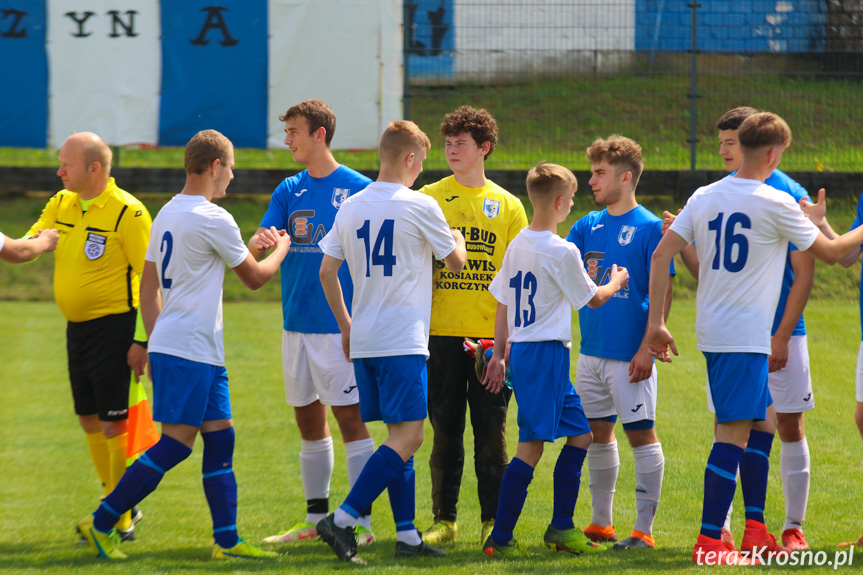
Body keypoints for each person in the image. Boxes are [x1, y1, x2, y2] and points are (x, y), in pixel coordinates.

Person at [645, 112, 863, 565]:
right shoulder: (775, 202)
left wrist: (656, 324)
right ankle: (710, 542)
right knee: (732, 434)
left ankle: (756, 530)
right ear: (773, 153)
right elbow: (835, 252)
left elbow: (663, 251)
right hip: (743, 335)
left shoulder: (704, 195)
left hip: (722, 330)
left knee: (763, 422)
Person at [76, 129, 290, 560]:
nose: (232, 177)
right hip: (190, 348)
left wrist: (156, 344)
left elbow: (150, 285)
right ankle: (103, 521)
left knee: (221, 440)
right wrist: (281, 248)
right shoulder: (213, 217)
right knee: (176, 444)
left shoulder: (169, 212)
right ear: (215, 167)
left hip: (191, 348)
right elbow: (254, 278)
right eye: (230, 168)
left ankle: (227, 541)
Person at [664, 107, 817, 552]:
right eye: (722, 144)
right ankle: (719, 533)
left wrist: (784, 333)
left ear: (756, 146)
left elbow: (805, 270)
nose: (725, 150)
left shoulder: (787, 193)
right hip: (741, 333)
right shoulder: (715, 194)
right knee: (732, 426)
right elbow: (705, 270)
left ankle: (781, 528)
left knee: (776, 421)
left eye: (731, 142)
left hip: (777, 329)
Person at [316, 120, 466, 562]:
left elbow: (327, 272)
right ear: (411, 159)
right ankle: (342, 520)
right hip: (402, 338)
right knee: (410, 437)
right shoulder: (420, 205)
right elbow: (456, 263)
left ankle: (407, 535)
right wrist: (456, 236)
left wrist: (345, 325)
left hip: (364, 337)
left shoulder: (351, 206)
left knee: (398, 435)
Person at [481, 163, 628, 557]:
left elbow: (502, 302)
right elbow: (593, 299)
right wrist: (616, 281)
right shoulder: (562, 250)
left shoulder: (519, 243)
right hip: (542, 354)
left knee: (581, 434)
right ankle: (500, 538)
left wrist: (499, 352)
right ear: (562, 203)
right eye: (573, 198)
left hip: (538, 354)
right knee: (531, 446)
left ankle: (561, 527)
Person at [249, 99, 376, 546]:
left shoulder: (360, 189)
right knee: (307, 422)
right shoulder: (289, 189)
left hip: (336, 326)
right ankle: (315, 520)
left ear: (319, 134)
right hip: (294, 323)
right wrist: (261, 238)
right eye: (286, 132)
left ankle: (360, 523)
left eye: (294, 132)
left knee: (351, 422)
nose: (287, 141)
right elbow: (264, 236)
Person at [27, 132, 151, 540]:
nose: (59, 170)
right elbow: (32, 241)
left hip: (114, 330)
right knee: (88, 419)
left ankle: (119, 518)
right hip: (76, 330)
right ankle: (117, 502)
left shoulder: (128, 213)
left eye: (67, 163)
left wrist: (141, 340)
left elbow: (151, 283)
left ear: (93, 168)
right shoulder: (61, 202)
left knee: (115, 424)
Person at [418, 105, 527, 545]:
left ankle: (492, 522)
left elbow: (519, 280)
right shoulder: (427, 197)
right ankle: (444, 520)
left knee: (491, 434)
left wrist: (506, 346)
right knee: (444, 430)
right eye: (447, 143)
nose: (451, 151)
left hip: (490, 341)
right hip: (440, 334)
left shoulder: (509, 206)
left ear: (484, 148)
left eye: (460, 143)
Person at [566, 136, 672, 550]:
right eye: (591, 171)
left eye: (599, 173)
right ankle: (601, 523)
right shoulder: (584, 226)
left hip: (630, 356)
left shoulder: (650, 228)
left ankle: (643, 530)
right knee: (597, 434)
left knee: (641, 434)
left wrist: (648, 345)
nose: (590, 179)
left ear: (625, 178)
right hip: (589, 352)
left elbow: (664, 291)